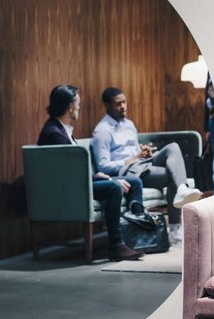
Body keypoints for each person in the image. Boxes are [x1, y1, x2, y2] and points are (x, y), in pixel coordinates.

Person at [38, 84, 145, 261]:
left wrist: (98, 176)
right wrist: (109, 180)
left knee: (135, 182)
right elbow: (68, 175)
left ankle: (137, 236)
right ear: (70, 106)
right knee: (113, 188)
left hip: (77, 182)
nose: (79, 107)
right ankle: (116, 245)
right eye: (78, 104)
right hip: (68, 189)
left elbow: (72, 170)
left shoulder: (62, 129)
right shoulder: (54, 133)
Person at [92, 87, 202, 244]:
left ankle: (181, 189)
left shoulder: (129, 124)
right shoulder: (102, 131)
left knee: (172, 147)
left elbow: (135, 149)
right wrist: (131, 159)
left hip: (143, 163)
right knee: (171, 175)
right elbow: (103, 166)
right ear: (107, 105)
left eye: (124, 102)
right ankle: (175, 226)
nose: (123, 106)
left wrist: (143, 151)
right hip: (129, 171)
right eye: (118, 104)